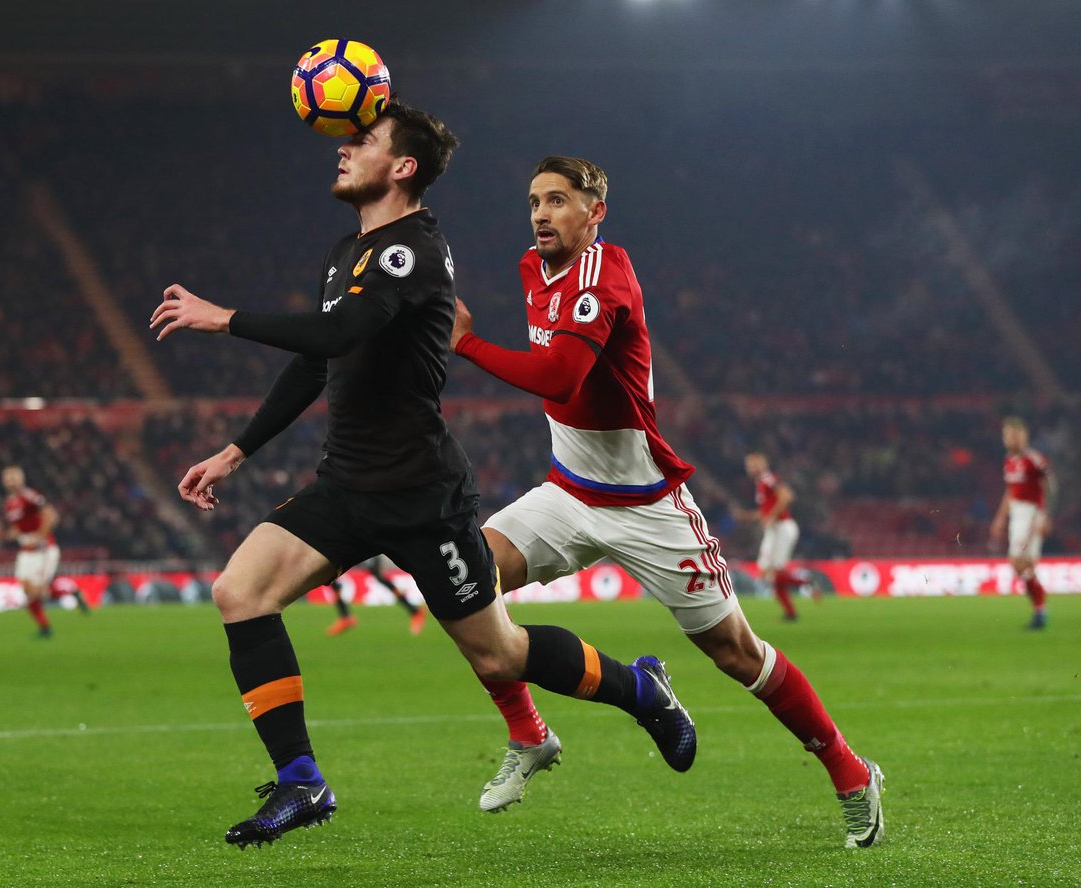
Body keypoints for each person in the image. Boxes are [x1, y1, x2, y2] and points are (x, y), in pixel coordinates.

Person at [149, 103, 695, 849]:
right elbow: (318, 359)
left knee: (499, 652)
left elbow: (344, 329)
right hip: (347, 483)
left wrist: (227, 318)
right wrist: (236, 451)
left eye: (363, 140)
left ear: (403, 167)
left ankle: (640, 688)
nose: (344, 149)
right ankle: (302, 780)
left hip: (421, 494)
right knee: (239, 592)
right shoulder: (348, 251)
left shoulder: (413, 250)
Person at [451, 156, 885, 848]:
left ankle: (851, 771)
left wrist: (467, 344)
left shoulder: (607, 274)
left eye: (557, 200)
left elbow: (562, 379)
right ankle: (530, 732)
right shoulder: (533, 270)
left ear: (595, 212)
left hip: (647, 504)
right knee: (463, 582)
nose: (540, 214)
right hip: (567, 493)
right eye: (533, 201)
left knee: (737, 653)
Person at [989, 417, 1055, 630]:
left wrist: (1046, 515)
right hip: (1017, 513)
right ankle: (1039, 609)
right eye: (1007, 435)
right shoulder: (1009, 461)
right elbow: (1010, 491)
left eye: (1014, 435)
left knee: (1018, 561)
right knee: (1024, 565)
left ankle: (1040, 606)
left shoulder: (1034, 459)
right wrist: (1000, 518)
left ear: (1023, 437)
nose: (1010, 439)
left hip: (1032, 513)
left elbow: (1050, 485)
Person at [737, 453, 803, 620]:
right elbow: (765, 512)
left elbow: (786, 496)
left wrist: (771, 517)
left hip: (782, 528)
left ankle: (805, 584)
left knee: (774, 573)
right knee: (766, 572)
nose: (750, 468)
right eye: (748, 465)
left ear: (762, 464)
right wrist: (746, 516)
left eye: (752, 465)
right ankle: (790, 612)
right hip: (774, 529)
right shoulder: (761, 483)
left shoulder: (768, 478)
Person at [1, 465, 60, 638]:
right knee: (27, 590)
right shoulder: (9, 503)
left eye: (14, 478)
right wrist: (8, 535)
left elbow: (52, 516)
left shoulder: (30, 496)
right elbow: (19, 527)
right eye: (8, 479)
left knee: (37, 592)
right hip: (26, 550)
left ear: (21, 480)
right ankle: (45, 628)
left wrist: (40, 536)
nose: (11, 482)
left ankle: (69, 591)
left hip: (42, 549)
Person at [325, 556, 427, 636]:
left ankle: (415, 611)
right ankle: (345, 617)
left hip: (363, 547)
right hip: (350, 545)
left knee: (380, 578)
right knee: (330, 575)